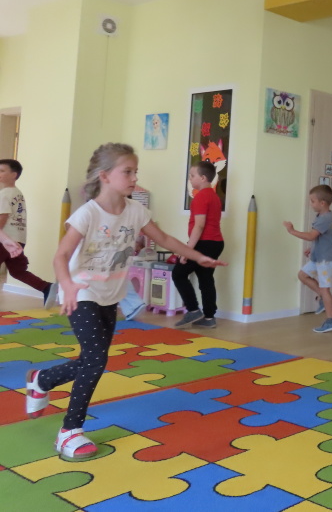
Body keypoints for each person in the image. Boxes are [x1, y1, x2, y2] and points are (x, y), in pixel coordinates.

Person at [25, 143, 226, 461]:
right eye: (127, 172)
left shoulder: (136, 211)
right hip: (82, 291)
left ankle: (42, 380)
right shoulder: (88, 213)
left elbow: (165, 239)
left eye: (135, 172)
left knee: (94, 359)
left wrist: (197, 256)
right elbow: (61, 255)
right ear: (105, 176)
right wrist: (67, 285)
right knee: (95, 360)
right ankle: (69, 432)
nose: (134, 178)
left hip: (111, 294)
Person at [173, 161, 226, 329]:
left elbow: (199, 226)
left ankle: (193, 310)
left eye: (192, 175)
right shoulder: (214, 196)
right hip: (216, 243)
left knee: (178, 274)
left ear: (203, 178)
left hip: (204, 243)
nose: (190, 178)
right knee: (205, 279)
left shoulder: (201, 197)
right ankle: (209, 317)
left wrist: (187, 250)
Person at [0, 159, 59, 307]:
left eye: (2, 171)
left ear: (14, 175)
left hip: (5, 240)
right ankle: (46, 287)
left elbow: (2, 218)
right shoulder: (17, 193)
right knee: (18, 271)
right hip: (19, 239)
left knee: (18, 271)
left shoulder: (4, 194)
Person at [283, 184, 332, 333]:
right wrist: (312, 248)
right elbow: (320, 238)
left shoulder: (325, 218)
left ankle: (331, 320)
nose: (311, 204)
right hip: (318, 257)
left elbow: (311, 236)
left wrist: (292, 231)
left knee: (325, 289)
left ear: (322, 203)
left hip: (326, 260)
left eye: (313, 201)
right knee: (302, 275)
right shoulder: (321, 215)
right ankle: (322, 298)